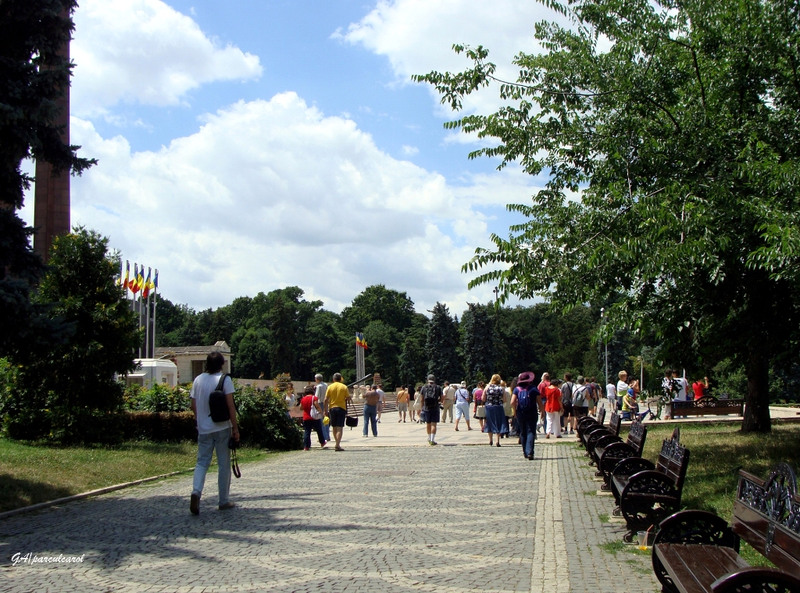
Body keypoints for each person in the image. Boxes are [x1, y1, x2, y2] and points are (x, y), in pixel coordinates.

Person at [189, 351, 239, 515]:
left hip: (203, 429)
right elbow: (230, 406)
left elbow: (193, 405)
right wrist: (235, 428)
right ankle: (223, 500)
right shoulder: (225, 380)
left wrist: (199, 421)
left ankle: (196, 491)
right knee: (223, 464)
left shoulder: (198, 380)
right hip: (222, 427)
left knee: (202, 462)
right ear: (222, 364)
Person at [323, 372, 351, 451]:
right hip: (341, 408)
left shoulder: (330, 387)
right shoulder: (344, 387)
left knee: (334, 427)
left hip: (332, 408)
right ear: (340, 379)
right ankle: (337, 444)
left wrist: (325, 410)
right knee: (340, 427)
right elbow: (348, 398)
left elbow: (326, 399)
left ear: (333, 379)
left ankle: (337, 443)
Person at [299, 385, 327, 450]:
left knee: (307, 431)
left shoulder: (303, 398)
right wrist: (321, 412)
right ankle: (322, 442)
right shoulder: (314, 398)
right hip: (314, 417)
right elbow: (316, 405)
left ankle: (306, 446)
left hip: (306, 417)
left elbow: (301, 408)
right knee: (319, 430)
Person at [483, 374, 507, 447]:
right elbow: (505, 399)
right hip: (498, 406)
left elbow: (483, 398)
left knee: (490, 422)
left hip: (489, 407)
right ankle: (497, 440)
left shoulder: (487, 387)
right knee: (498, 422)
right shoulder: (501, 388)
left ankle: (490, 440)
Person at [419, 375, 443, 445]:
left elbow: (421, 399)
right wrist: (438, 402)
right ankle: (432, 439)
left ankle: (429, 438)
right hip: (435, 408)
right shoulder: (438, 387)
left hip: (426, 408)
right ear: (434, 380)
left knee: (428, 424)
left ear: (427, 380)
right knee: (434, 424)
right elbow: (442, 397)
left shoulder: (424, 387)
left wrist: (422, 407)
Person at [314, 373, 330, 442]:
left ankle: (324, 436)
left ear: (317, 379)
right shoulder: (326, 385)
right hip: (326, 403)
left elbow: (316, 397)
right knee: (326, 420)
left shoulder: (319, 386)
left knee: (321, 421)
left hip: (320, 403)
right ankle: (328, 435)